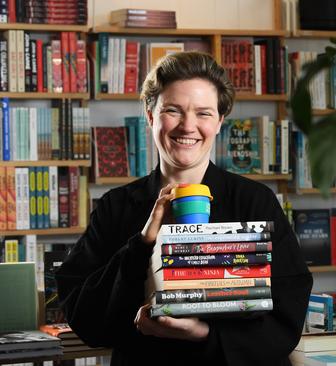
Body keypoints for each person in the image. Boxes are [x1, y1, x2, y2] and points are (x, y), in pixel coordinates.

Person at [55, 52, 313, 365]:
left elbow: (287, 318)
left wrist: (203, 333)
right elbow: (85, 319)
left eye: (203, 113)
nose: (188, 126)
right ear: (150, 116)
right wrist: (141, 245)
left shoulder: (256, 202)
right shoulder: (115, 206)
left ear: (219, 122)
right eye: (173, 110)